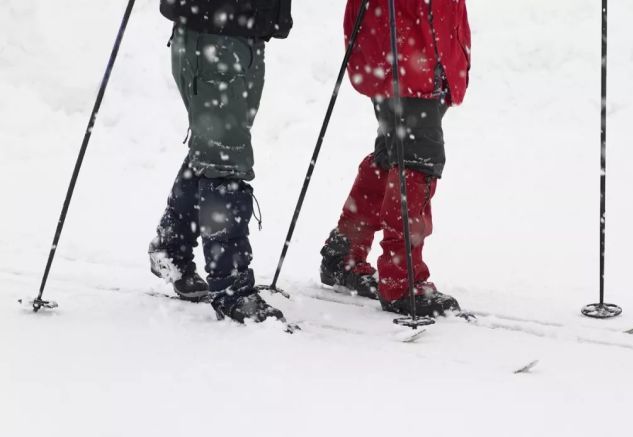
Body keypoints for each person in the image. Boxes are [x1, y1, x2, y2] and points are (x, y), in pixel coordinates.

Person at [320, 0, 471, 317]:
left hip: (422, 47)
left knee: (392, 156)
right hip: (404, 44)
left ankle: (345, 252)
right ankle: (402, 281)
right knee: (415, 162)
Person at [150, 0, 293, 324]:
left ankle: (171, 247)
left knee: (215, 152)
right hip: (213, 33)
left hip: (246, 31)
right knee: (224, 160)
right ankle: (231, 289)